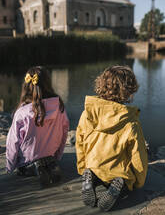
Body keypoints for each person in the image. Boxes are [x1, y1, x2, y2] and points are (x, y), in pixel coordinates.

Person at [76, 65, 148, 212]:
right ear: (128, 91)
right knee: (126, 181)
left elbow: (80, 143)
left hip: (93, 165)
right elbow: (138, 156)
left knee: (96, 169)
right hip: (118, 171)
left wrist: (83, 167)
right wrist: (138, 182)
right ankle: (118, 186)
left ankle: (91, 177)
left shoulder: (87, 113)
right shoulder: (131, 122)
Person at [6, 66, 69, 187]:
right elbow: (64, 131)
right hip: (51, 152)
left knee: (22, 166)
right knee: (47, 156)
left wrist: (10, 166)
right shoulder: (59, 106)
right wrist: (58, 155)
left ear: (26, 85)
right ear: (48, 83)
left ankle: (33, 167)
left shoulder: (22, 112)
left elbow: (13, 141)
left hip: (28, 156)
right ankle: (50, 163)